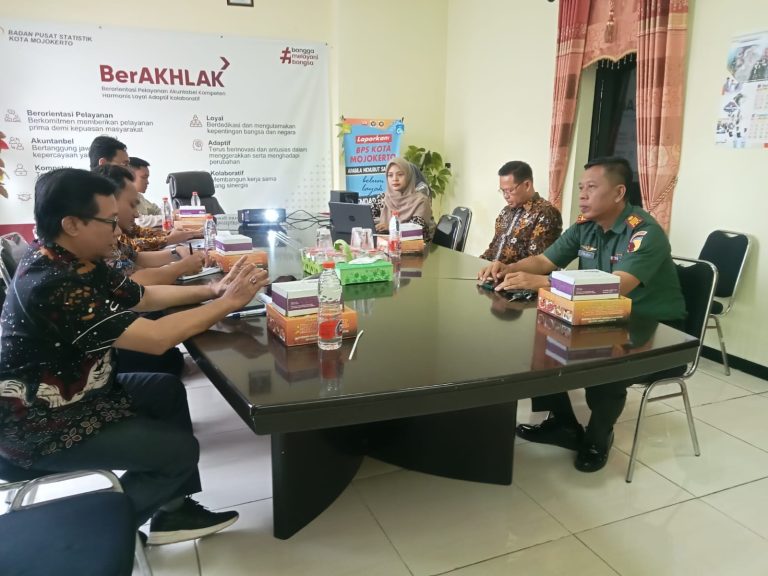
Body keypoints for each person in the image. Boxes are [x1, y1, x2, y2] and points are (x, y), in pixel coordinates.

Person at [0, 168, 269, 544]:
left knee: (164, 390)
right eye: (109, 221)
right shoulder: (51, 284)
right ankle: (97, 539)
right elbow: (157, 338)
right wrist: (227, 304)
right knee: (179, 452)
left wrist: (212, 290)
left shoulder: (74, 259)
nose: (118, 231)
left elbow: (142, 297)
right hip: (40, 426)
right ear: (72, 224)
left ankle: (173, 513)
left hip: (82, 396)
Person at [478, 156, 685, 472]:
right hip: (602, 313)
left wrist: (545, 282)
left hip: (652, 326)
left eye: (591, 187)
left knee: (605, 360)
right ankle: (562, 422)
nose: (583, 195)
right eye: (580, 188)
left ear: (618, 193)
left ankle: (598, 436)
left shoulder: (644, 232)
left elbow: (618, 286)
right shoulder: (585, 227)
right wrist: (508, 267)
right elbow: (544, 261)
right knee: (537, 343)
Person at [97, 165, 203, 285]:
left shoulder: (113, 237)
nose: (136, 214)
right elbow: (134, 281)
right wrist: (182, 267)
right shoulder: (101, 241)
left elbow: (136, 257)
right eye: (132, 205)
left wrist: (177, 252)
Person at [481, 161, 562, 264]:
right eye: (503, 191)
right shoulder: (505, 211)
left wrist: (505, 270)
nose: (506, 196)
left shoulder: (546, 213)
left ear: (527, 185)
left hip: (516, 273)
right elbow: (493, 248)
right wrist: (479, 263)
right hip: (493, 270)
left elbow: (538, 263)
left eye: (510, 190)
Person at [371, 158, 436, 241]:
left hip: (414, 246)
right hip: (384, 245)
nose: (395, 179)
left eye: (400, 174)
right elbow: (368, 219)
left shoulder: (421, 201)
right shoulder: (382, 198)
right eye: (390, 175)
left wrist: (391, 227)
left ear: (408, 176)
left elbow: (416, 230)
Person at [129, 156, 165, 229]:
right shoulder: (121, 198)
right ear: (129, 177)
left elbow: (155, 211)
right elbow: (139, 221)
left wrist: (170, 214)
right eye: (144, 177)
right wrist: (168, 218)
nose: (147, 182)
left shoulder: (138, 196)